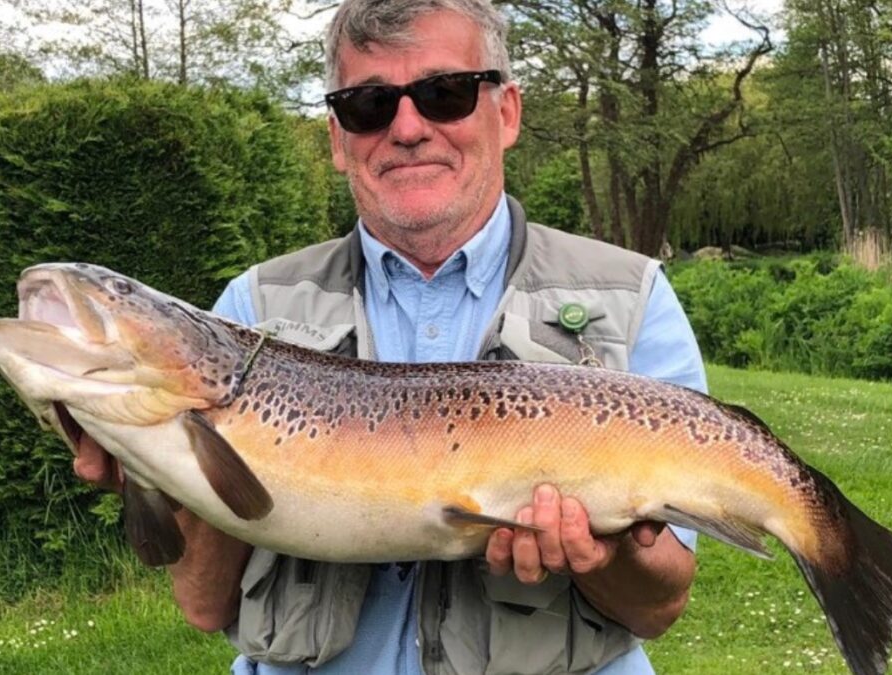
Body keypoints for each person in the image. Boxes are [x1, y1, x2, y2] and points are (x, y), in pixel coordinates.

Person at [74, 0, 705, 672]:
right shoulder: (247, 311)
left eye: (445, 93)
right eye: (369, 104)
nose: (408, 128)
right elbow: (204, 605)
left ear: (508, 111)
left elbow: (658, 605)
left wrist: (602, 555)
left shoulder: (630, 297)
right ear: (338, 138)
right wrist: (169, 466)